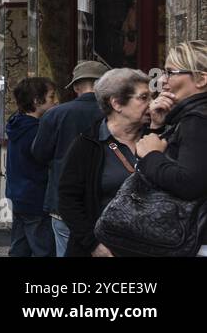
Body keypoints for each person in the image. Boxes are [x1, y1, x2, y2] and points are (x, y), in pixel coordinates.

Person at [57, 68, 150, 257]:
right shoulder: (88, 144)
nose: (152, 104)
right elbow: (68, 200)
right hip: (103, 249)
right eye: (143, 97)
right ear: (116, 103)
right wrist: (93, 245)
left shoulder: (157, 139)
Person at [135, 40, 207, 256]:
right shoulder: (190, 117)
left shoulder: (197, 119)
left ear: (201, 79)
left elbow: (189, 183)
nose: (163, 81)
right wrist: (157, 126)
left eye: (170, 72)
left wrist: (152, 155)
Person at [31, 60, 106, 257]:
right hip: (106, 201)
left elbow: (39, 154)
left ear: (75, 87)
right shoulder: (114, 113)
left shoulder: (55, 114)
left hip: (64, 199)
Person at [5, 76, 57, 257]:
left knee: (20, 247)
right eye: (51, 97)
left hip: (18, 195)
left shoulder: (17, 122)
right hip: (36, 197)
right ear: (37, 100)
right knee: (43, 250)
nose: (56, 101)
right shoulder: (36, 131)